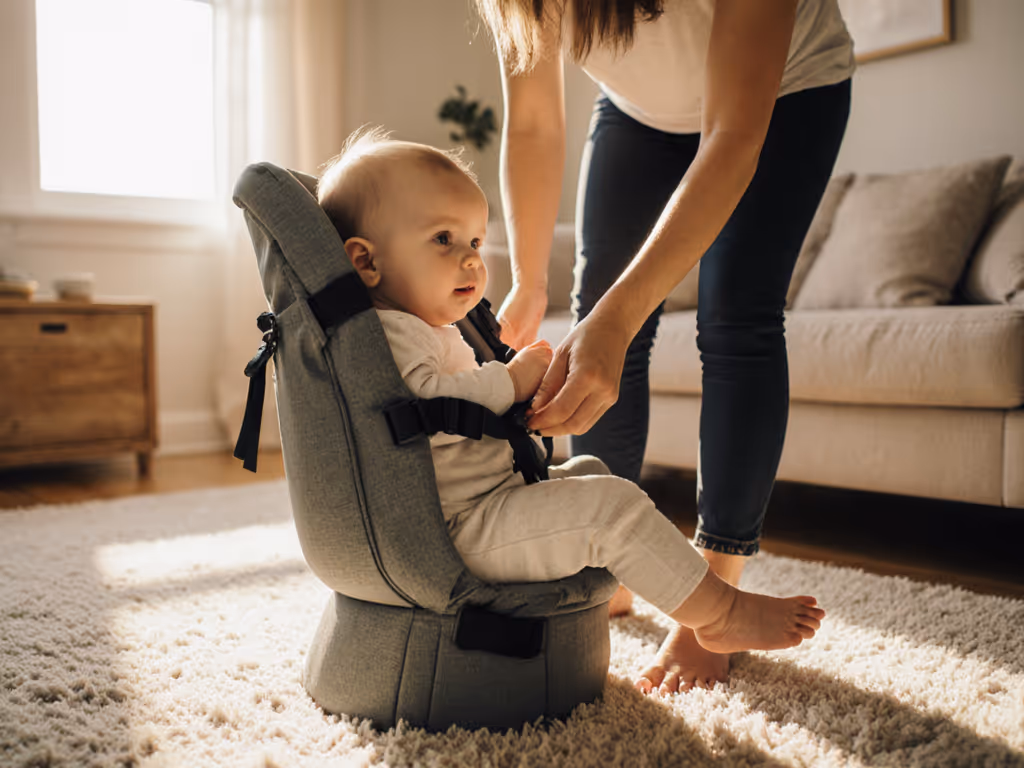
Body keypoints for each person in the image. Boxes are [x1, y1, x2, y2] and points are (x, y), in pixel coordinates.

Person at [315, 128, 825, 684]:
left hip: (481, 503)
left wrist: (518, 398)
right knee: (609, 510)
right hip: (459, 528)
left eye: (476, 243)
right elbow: (421, 405)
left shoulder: (420, 326)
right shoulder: (388, 336)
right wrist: (509, 382)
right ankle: (719, 615)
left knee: (588, 474)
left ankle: (639, 589)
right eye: (443, 239)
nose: (470, 261)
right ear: (366, 262)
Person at [473, 0, 854, 693]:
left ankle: (715, 604)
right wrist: (530, 280)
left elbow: (734, 136)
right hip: (638, 115)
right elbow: (531, 123)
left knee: (736, 320)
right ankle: (607, 567)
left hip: (785, 94)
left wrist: (616, 321)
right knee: (597, 313)